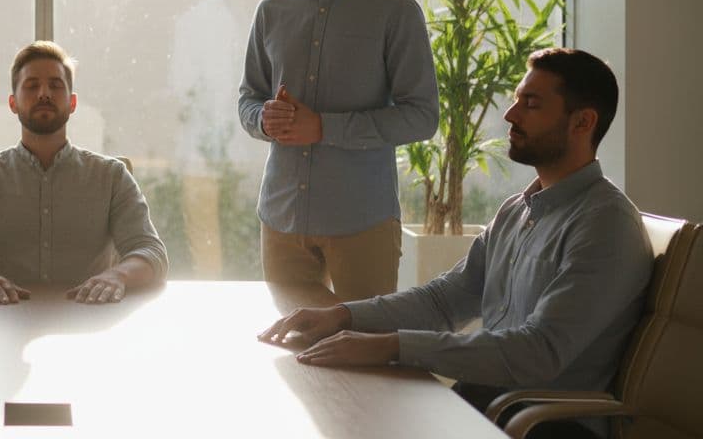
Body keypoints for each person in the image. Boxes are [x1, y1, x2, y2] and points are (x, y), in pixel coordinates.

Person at [259, 49, 653, 439]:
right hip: (490, 404)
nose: (510, 115)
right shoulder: (517, 210)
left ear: (582, 122)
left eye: (530, 104)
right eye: (516, 100)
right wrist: (344, 316)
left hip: (545, 426)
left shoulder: (605, 224)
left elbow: (539, 352)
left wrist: (391, 347)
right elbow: (445, 300)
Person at [238, 0, 439, 300]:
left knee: (361, 357)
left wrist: (324, 128)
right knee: (288, 355)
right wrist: (264, 120)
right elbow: (248, 99)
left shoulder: (396, 12)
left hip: (361, 222)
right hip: (281, 219)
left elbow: (422, 117)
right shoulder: (272, 10)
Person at [0, 41, 168, 304]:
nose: (44, 94)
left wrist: (118, 276)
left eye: (56, 85)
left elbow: (150, 250)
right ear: (13, 103)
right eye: (31, 86)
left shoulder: (112, 176)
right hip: (0, 316)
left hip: (89, 318)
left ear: (72, 102)